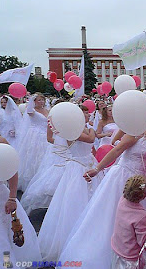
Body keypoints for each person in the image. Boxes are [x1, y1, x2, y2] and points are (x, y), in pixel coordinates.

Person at [58, 113, 146, 268]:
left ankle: (133, 256)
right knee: (110, 215)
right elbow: (116, 150)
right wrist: (97, 169)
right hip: (122, 176)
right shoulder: (136, 133)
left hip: (140, 183)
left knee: (137, 220)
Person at [38, 105, 99, 261]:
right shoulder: (73, 131)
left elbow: (91, 145)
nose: (87, 115)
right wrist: (91, 128)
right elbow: (91, 138)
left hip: (89, 164)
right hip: (77, 169)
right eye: (84, 112)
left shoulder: (83, 129)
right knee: (75, 201)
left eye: (87, 112)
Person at [0, 136, 42, 266]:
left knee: (2, 239)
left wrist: (12, 198)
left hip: (0, 197)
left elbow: (12, 171)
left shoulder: (1, 142)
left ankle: (6, 265)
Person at [111, 175, 146, 269]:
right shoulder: (141, 215)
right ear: (144, 195)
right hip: (129, 259)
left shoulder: (122, 200)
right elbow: (143, 241)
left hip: (117, 249)